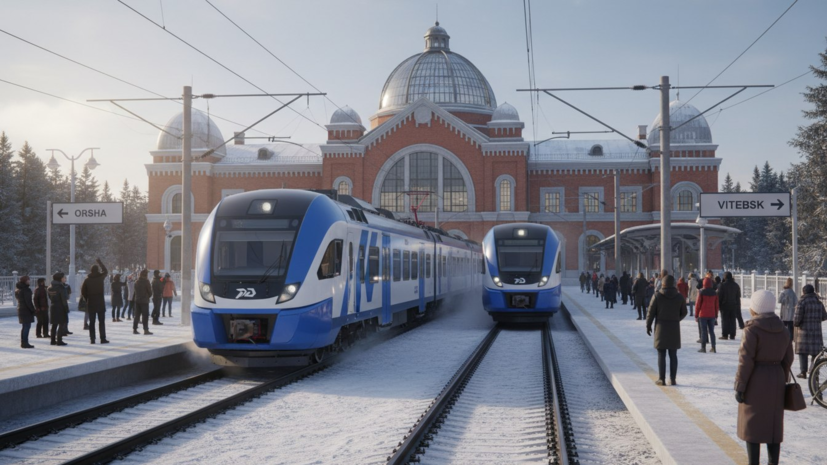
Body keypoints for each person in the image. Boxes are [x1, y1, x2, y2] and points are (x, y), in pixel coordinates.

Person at [734, 290, 794, 465]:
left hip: (755, 380)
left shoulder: (752, 329)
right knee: (773, 426)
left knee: (753, 425)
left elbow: (745, 360)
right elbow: (788, 358)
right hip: (776, 378)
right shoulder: (782, 329)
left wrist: (740, 385)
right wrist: (781, 375)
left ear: (755, 308)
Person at [646, 275, 688, 386]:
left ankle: (662, 379)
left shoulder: (657, 296)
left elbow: (650, 313)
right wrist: (676, 319)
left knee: (661, 354)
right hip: (674, 328)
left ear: (663, 284)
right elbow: (684, 312)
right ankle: (673, 379)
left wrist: (648, 325)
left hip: (661, 327)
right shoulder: (679, 297)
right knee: (673, 354)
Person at [793, 284, 827, 378]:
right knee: (815, 353)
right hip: (816, 332)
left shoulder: (802, 302)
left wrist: (796, 324)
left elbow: (797, 319)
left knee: (803, 352)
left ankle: (803, 372)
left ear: (804, 292)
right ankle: (814, 371)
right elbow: (824, 316)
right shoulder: (818, 303)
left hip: (804, 332)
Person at [81, 258, 109, 344]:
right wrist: (100, 262)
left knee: (92, 322)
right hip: (100, 302)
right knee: (101, 322)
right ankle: (102, 338)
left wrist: (87, 298)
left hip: (91, 303)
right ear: (97, 270)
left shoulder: (87, 280)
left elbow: (83, 291)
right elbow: (105, 271)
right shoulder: (101, 277)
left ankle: (92, 339)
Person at [695, 277, 719, 353]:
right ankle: (713, 347)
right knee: (712, 331)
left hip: (702, 315)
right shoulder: (714, 293)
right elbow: (716, 305)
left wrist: (696, 315)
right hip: (712, 314)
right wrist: (716, 316)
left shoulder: (701, 292)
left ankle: (703, 348)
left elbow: (698, 304)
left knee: (703, 331)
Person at [718, 272, 743, 340]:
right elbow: (738, 297)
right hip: (734, 305)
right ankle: (732, 335)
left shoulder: (722, 285)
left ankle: (725, 335)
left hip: (724, 305)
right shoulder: (736, 285)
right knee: (733, 320)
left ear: (725, 277)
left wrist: (719, 305)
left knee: (724, 320)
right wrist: (738, 306)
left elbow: (720, 296)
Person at [48, 273, 69, 346]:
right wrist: (66, 308)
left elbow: (50, 297)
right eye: (63, 277)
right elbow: (64, 298)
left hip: (53, 306)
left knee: (54, 324)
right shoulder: (61, 287)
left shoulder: (50, 287)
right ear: (60, 279)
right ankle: (59, 340)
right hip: (61, 306)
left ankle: (52, 340)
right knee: (62, 323)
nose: (64, 279)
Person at [15, 276, 36, 348]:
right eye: (28, 280)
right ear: (25, 281)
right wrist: (33, 310)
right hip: (26, 310)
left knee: (24, 326)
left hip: (20, 309)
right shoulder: (26, 290)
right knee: (27, 326)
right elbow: (28, 301)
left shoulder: (18, 289)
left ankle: (23, 342)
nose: (29, 281)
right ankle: (25, 343)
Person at [133, 269, 153, 335]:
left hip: (137, 300)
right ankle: (145, 330)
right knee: (145, 316)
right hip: (144, 301)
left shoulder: (137, 281)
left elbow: (135, 291)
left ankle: (135, 329)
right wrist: (147, 296)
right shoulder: (146, 282)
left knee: (137, 315)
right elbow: (150, 292)